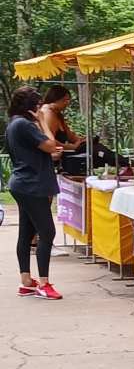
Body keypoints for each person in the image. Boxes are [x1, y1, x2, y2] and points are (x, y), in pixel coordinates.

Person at [6, 87, 63, 300]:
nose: (41, 109)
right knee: (47, 233)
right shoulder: (25, 124)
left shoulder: (14, 124)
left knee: (26, 231)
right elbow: (51, 144)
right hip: (32, 185)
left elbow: (39, 150)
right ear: (31, 107)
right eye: (38, 105)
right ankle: (44, 283)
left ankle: (27, 282)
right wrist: (42, 122)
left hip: (23, 182)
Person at [37, 85, 85, 157]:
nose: (67, 103)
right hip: (52, 156)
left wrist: (81, 140)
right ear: (56, 99)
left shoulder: (57, 113)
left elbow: (69, 135)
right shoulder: (47, 113)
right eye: (65, 100)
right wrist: (70, 147)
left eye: (68, 100)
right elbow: (48, 140)